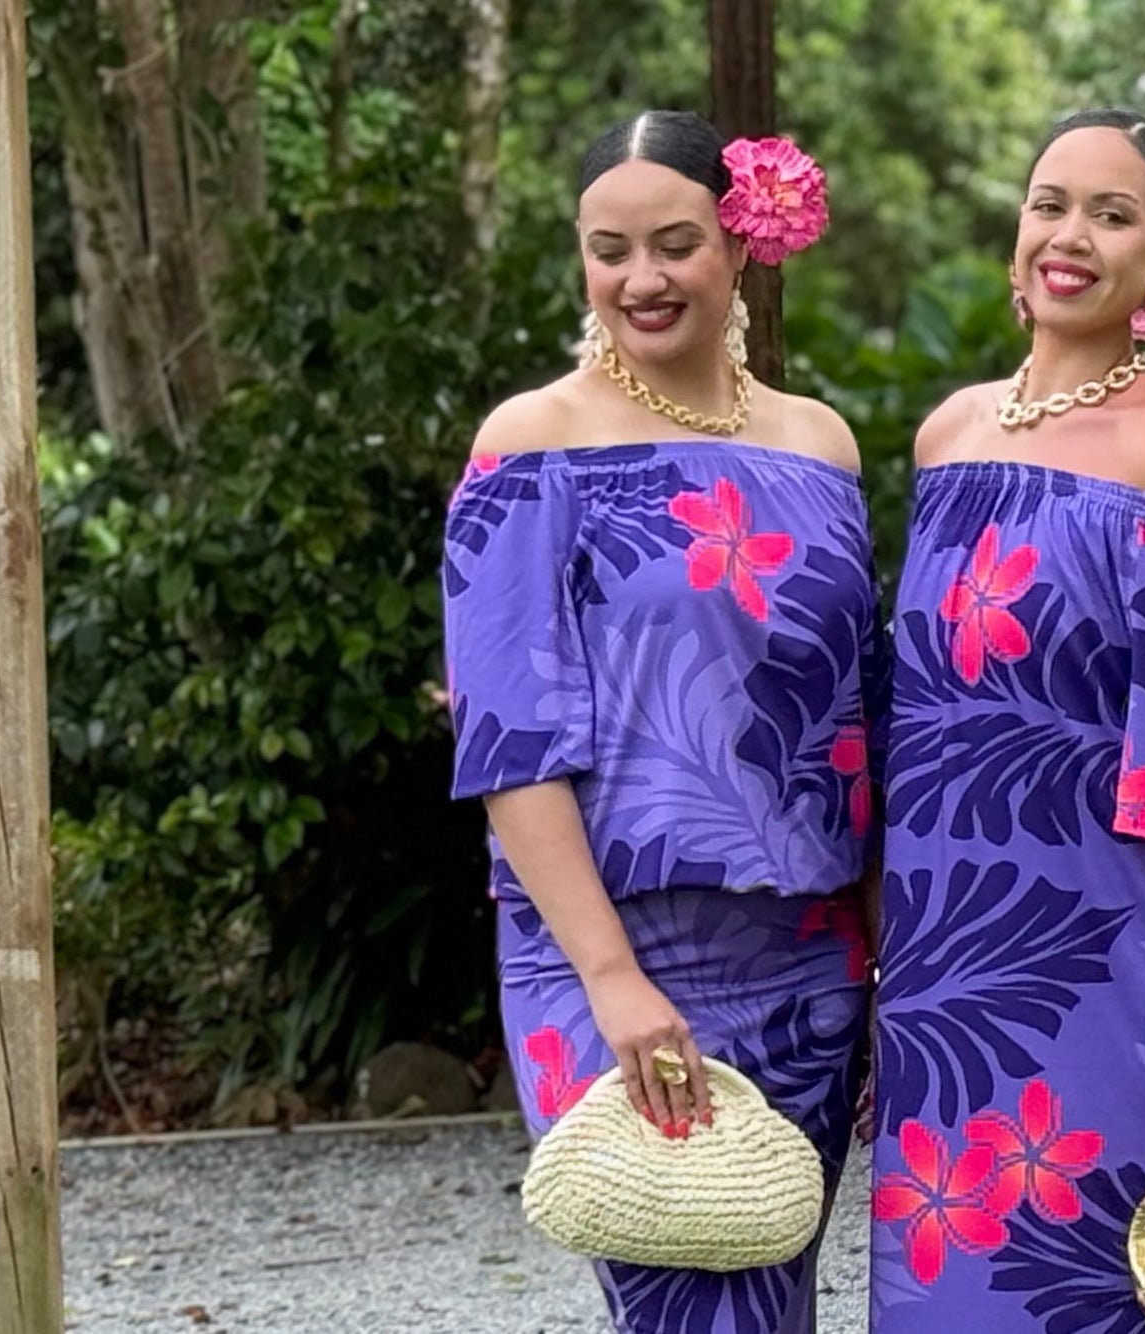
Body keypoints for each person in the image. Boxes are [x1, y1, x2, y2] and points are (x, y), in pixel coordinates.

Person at [868, 108, 1145, 1332]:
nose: (1069, 236)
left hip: (1121, 976)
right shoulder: (949, 434)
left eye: (1111, 215)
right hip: (946, 973)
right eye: (1048, 203)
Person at [442, 109, 882, 1333]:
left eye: (675, 242)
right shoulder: (534, 442)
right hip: (612, 955)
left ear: (739, 245)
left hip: (809, 955)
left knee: (770, 1296)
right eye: (608, 247)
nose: (641, 278)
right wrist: (612, 978)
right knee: (691, 1308)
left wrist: (883, 948)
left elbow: (857, 719)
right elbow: (509, 739)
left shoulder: (819, 445)